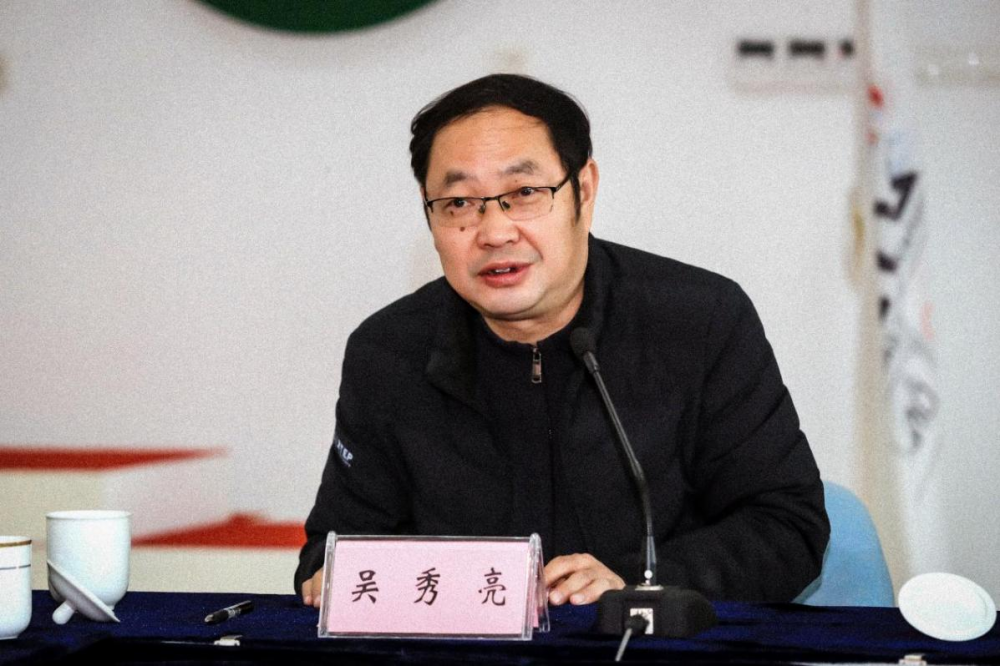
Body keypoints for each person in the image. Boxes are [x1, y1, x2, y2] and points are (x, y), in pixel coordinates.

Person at [296, 74, 829, 608]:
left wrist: (637, 583)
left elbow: (787, 526)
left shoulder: (700, 320)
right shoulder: (389, 353)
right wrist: (333, 575)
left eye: (525, 194)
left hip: (650, 643)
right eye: (458, 202)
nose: (495, 231)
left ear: (584, 190)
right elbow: (332, 550)